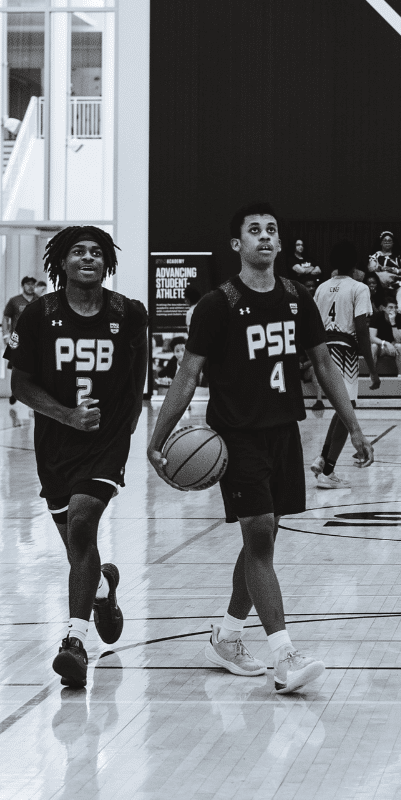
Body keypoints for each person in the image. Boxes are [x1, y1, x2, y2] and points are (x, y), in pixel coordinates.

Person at [148, 203, 373, 695]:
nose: (265, 237)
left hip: (283, 431)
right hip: (236, 436)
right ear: (238, 244)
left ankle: (227, 637)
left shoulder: (296, 296)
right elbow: (188, 374)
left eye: (271, 230)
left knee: (262, 540)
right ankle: (285, 655)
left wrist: (353, 427)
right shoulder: (218, 304)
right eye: (254, 231)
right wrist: (158, 436)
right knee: (259, 534)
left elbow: (324, 364)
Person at [5, 228, 148, 689]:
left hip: (106, 441)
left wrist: (128, 422)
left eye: (97, 252)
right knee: (76, 545)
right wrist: (66, 415)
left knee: (84, 523)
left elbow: (138, 370)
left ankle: (74, 642)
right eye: (78, 251)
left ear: (107, 263)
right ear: (61, 263)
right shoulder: (38, 314)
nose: (88, 257)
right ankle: (102, 587)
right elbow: (20, 384)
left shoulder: (127, 312)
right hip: (56, 442)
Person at [310, 243, 379, 491]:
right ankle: (328, 471)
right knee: (347, 409)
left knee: (342, 410)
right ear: (355, 265)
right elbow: (361, 329)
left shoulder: (321, 287)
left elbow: (312, 324)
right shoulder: (359, 288)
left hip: (322, 350)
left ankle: (323, 459)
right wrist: (372, 368)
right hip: (344, 350)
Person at [4, 275, 38, 412]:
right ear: (23, 286)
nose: (31, 287)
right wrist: (5, 334)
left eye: (33, 284)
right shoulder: (14, 301)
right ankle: (15, 392)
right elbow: (6, 317)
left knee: (34, 367)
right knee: (14, 366)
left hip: (34, 339)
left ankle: (32, 395)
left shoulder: (39, 300)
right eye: (28, 284)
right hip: (16, 339)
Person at [369, 301, 401, 377]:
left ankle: (400, 375)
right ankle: (372, 374)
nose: (393, 310)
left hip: (393, 346)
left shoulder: (400, 317)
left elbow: (398, 339)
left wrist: (393, 322)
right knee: (373, 346)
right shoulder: (376, 316)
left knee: (399, 346)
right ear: (384, 308)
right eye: (390, 307)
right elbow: (372, 338)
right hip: (380, 346)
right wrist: (386, 343)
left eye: (395, 307)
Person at [368, 232, 401, 303]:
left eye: (389, 240)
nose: (387, 242)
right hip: (380, 282)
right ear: (381, 243)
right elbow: (370, 268)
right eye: (385, 240)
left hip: (396, 281)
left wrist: (396, 271)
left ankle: (399, 308)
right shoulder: (376, 255)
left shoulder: (399, 255)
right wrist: (381, 268)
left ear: (393, 243)